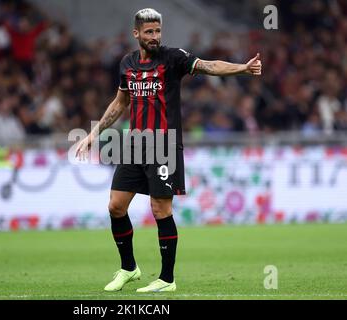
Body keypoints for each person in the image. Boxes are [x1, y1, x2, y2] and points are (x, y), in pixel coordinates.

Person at [75, 8, 261, 293]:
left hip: (164, 144)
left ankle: (167, 279)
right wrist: (93, 133)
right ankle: (129, 268)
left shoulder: (173, 58)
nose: (154, 37)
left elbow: (209, 65)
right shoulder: (127, 63)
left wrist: (242, 68)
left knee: (160, 209)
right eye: (148, 32)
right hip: (135, 145)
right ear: (136, 33)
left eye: (157, 31)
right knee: (115, 205)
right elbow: (119, 103)